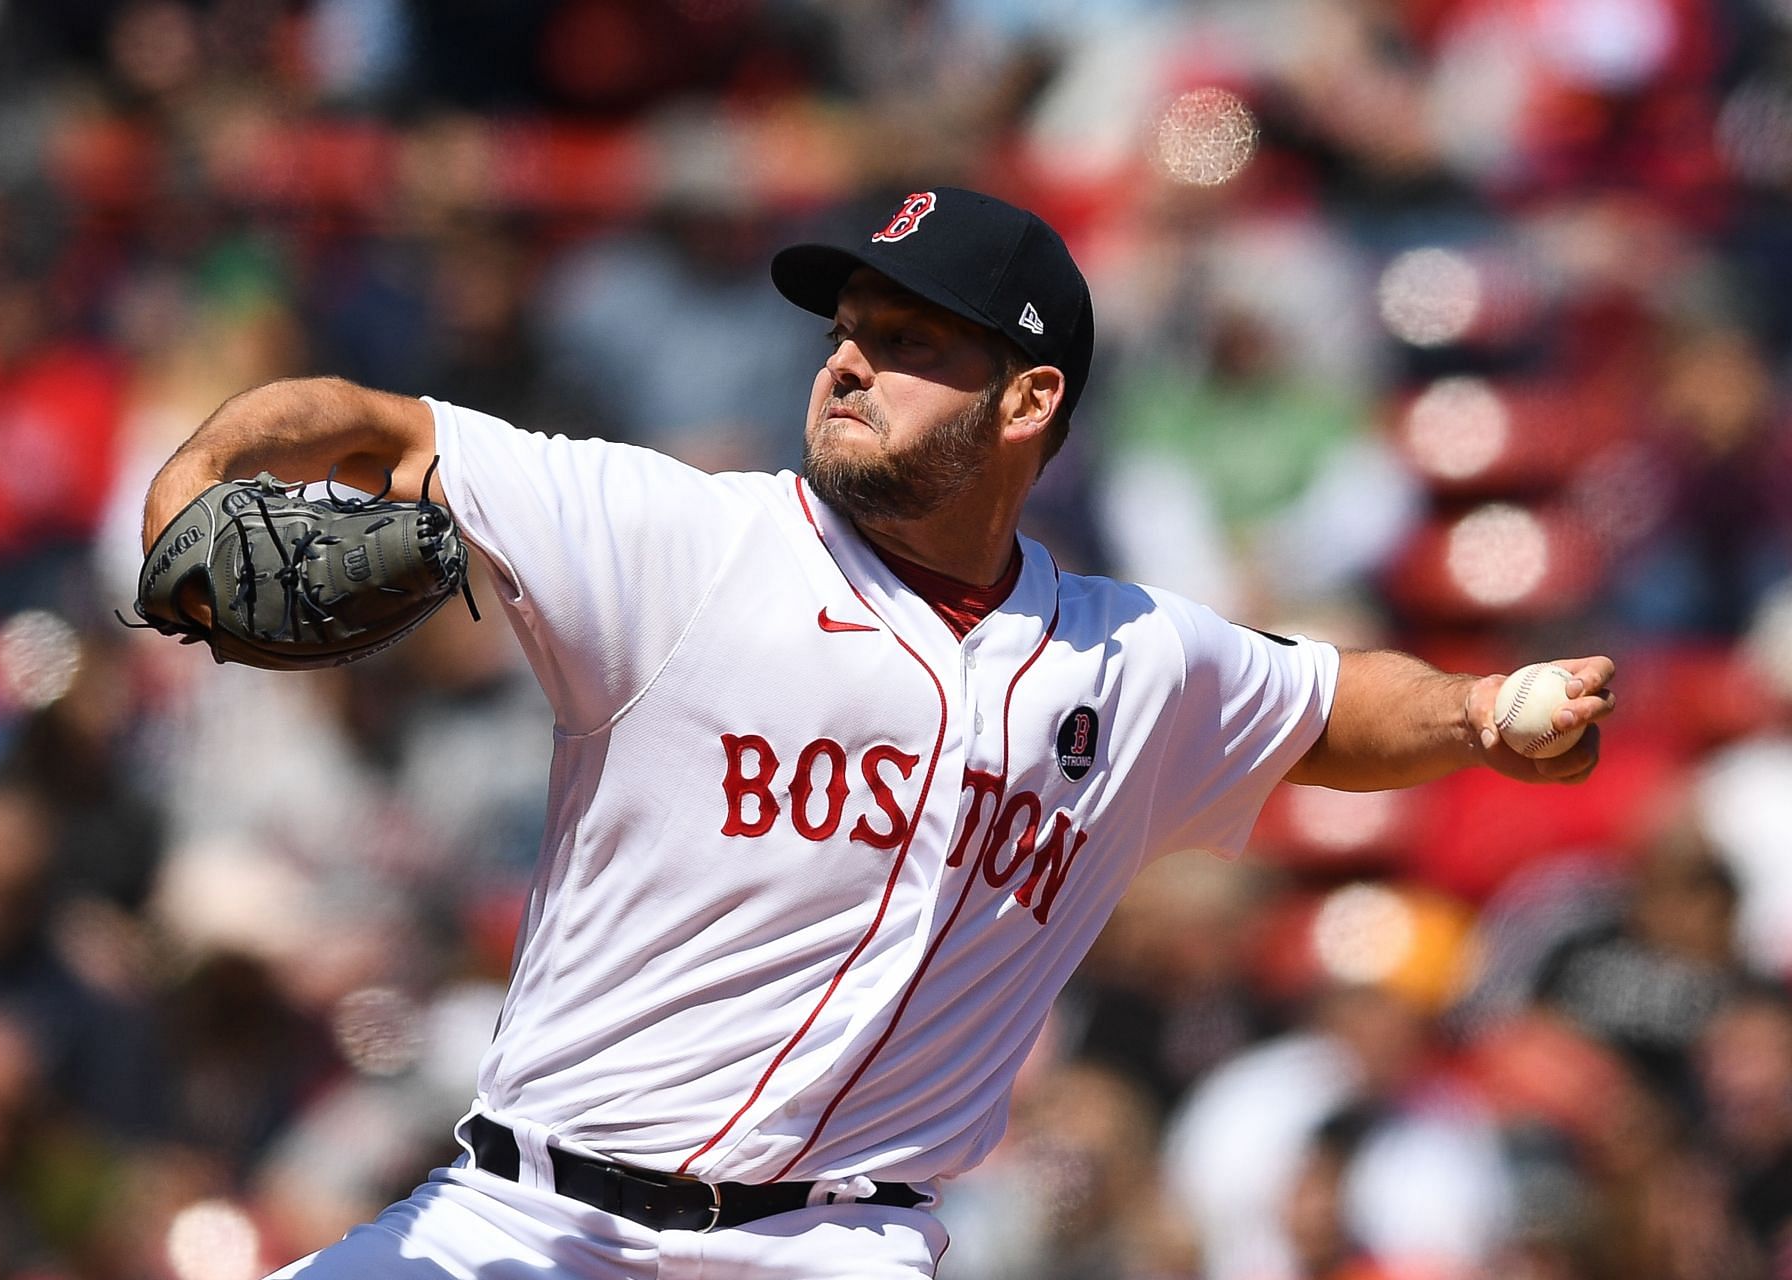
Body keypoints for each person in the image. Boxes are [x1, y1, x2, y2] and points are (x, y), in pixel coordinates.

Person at [139, 187, 1615, 1280]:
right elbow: (355, 422)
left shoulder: (1133, 654)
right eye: (847, 332)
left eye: (907, 341)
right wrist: (182, 506)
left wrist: (1484, 714)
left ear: (1031, 399)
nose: (847, 362)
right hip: (531, 1213)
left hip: (831, 1253)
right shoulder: (684, 538)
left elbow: (1330, 705)